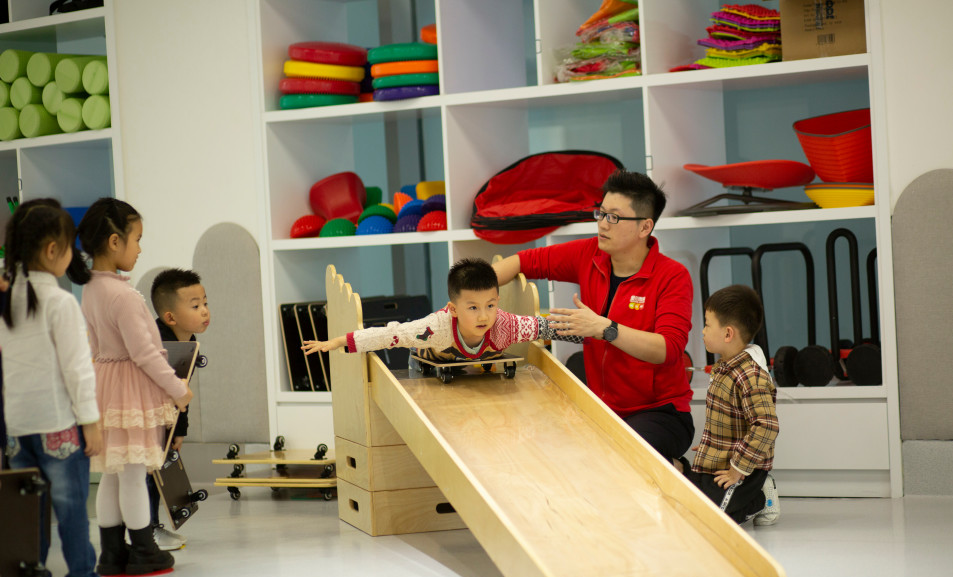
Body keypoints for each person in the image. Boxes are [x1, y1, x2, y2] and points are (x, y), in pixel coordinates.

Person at [492, 169, 694, 462]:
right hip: (601, 409)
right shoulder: (589, 255)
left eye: (614, 217)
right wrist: (473, 296)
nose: (602, 223)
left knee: (621, 456)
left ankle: (679, 470)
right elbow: (523, 261)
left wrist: (606, 328)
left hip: (661, 412)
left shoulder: (673, 276)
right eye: (601, 213)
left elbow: (668, 349)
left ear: (644, 227)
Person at [0, 199, 122, 577]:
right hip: (58, 425)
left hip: (17, 427)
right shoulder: (60, 303)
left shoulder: (7, 299)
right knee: (71, 510)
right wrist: (91, 421)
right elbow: (77, 369)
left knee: (30, 509)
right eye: (70, 247)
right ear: (53, 250)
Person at [72, 197, 193, 576]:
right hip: (129, 389)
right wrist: (177, 389)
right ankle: (144, 549)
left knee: (112, 472)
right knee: (134, 474)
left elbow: (96, 347)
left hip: (105, 387)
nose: (140, 249)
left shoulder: (91, 289)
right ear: (114, 242)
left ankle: (111, 552)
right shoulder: (123, 296)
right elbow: (145, 354)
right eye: (136, 239)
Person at [302, 257, 581, 362]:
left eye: (490, 305)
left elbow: (548, 327)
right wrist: (338, 341)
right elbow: (391, 335)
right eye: (473, 307)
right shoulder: (434, 328)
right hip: (431, 359)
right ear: (453, 309)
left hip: (478, 364)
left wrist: (591, 334)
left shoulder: (505, 325)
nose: (484, 316)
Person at [682, 284, 780, 525]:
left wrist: (738, 468)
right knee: (687, 503)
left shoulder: (750, 376)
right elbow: (729, 418)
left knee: (712, 519)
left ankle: (760, 497)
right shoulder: (723, 367)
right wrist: (713, 443)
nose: (702, 331)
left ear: (727, 334)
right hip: (720, 461)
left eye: (707, 325)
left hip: (743, 469)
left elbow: (766, 426)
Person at [147, 268, 210, 550]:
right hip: (144, 416)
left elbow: (181, 391)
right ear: (170, 317)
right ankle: (145, 531)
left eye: (205, 303)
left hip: (164, 417)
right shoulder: (157, 342)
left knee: (157, 473)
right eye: (195, 306)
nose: (204, 311)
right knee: (147, 475)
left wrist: (179, 430)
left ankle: (152, 527)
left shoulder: (189, 341)